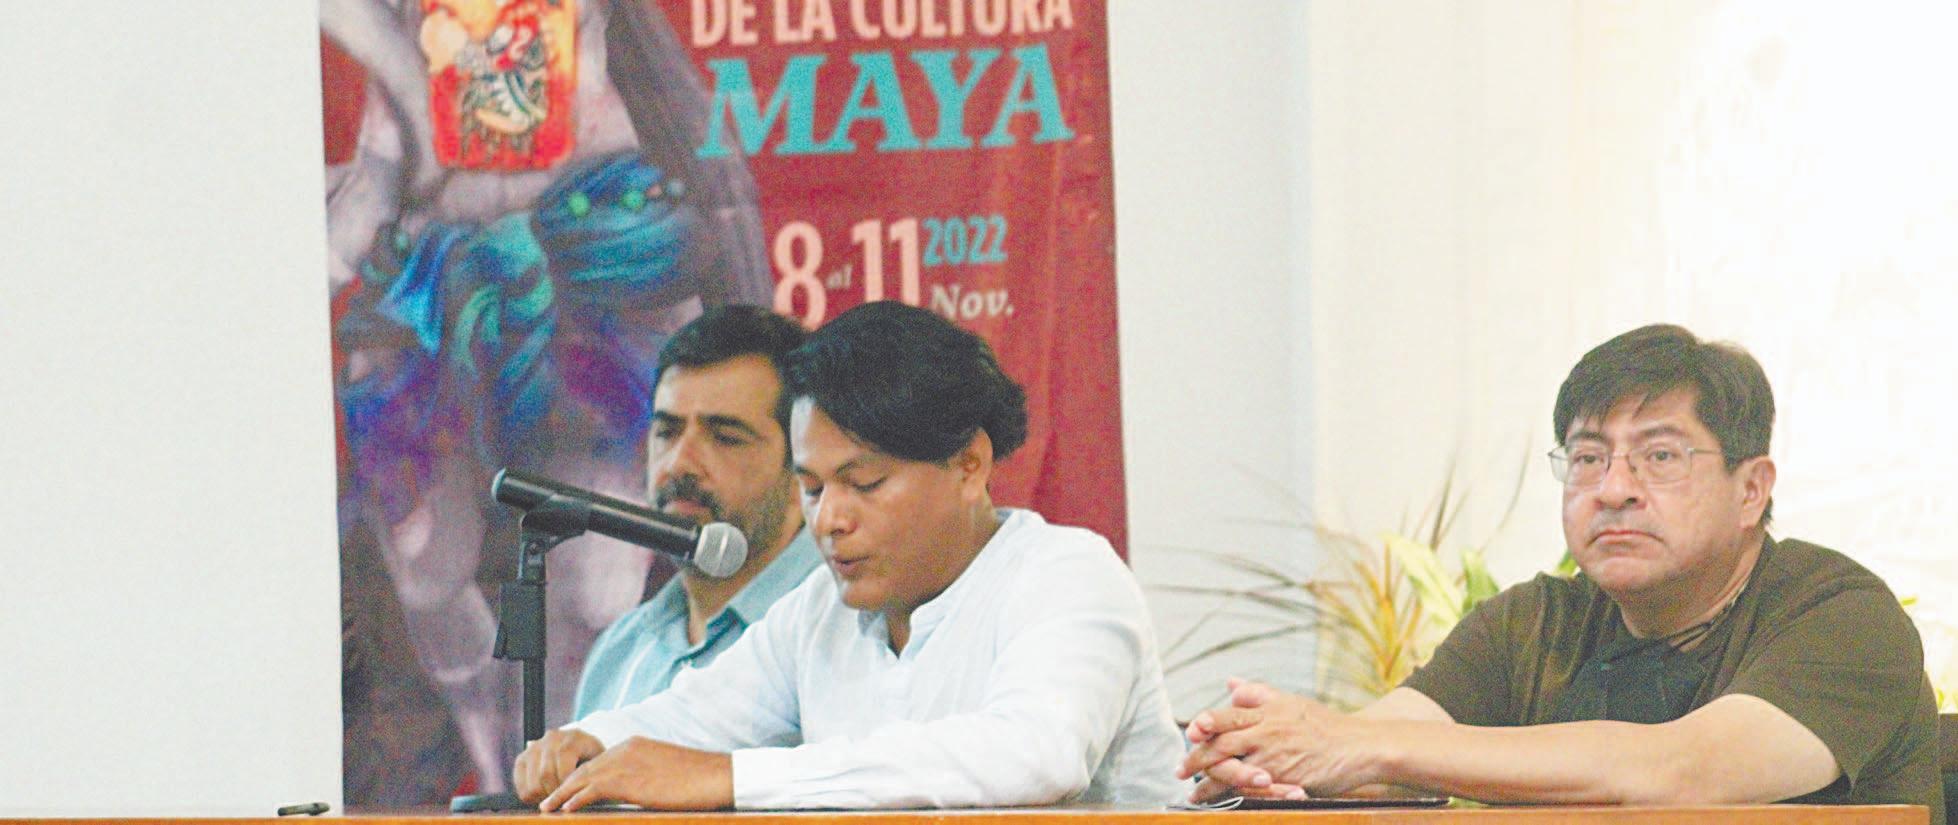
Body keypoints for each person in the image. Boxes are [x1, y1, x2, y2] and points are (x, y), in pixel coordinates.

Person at [1181, 324, 1943, 818]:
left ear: (1751, 489)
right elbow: (1384, 745)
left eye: (1660, 454)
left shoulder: (1842, 616)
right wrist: (1265, 754)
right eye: (1587, 457)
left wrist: (1354, 745)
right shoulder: (1533, 623)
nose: (1614, 487)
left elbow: (1681, 773)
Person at [511, 301, 1186, 811]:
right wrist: (588, 742)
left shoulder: (1065, 574)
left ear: (969, 464)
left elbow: (1035, 755)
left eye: (863, 483)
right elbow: (694, 715)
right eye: (811, 487)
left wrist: (730, 777)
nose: (829, 519)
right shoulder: (818, 611)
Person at [572, 305, 823, 718]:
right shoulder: (620, 651)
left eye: (725, 438)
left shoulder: (849, 631)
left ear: (804, 468)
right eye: (667, 433)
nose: (679, 463)